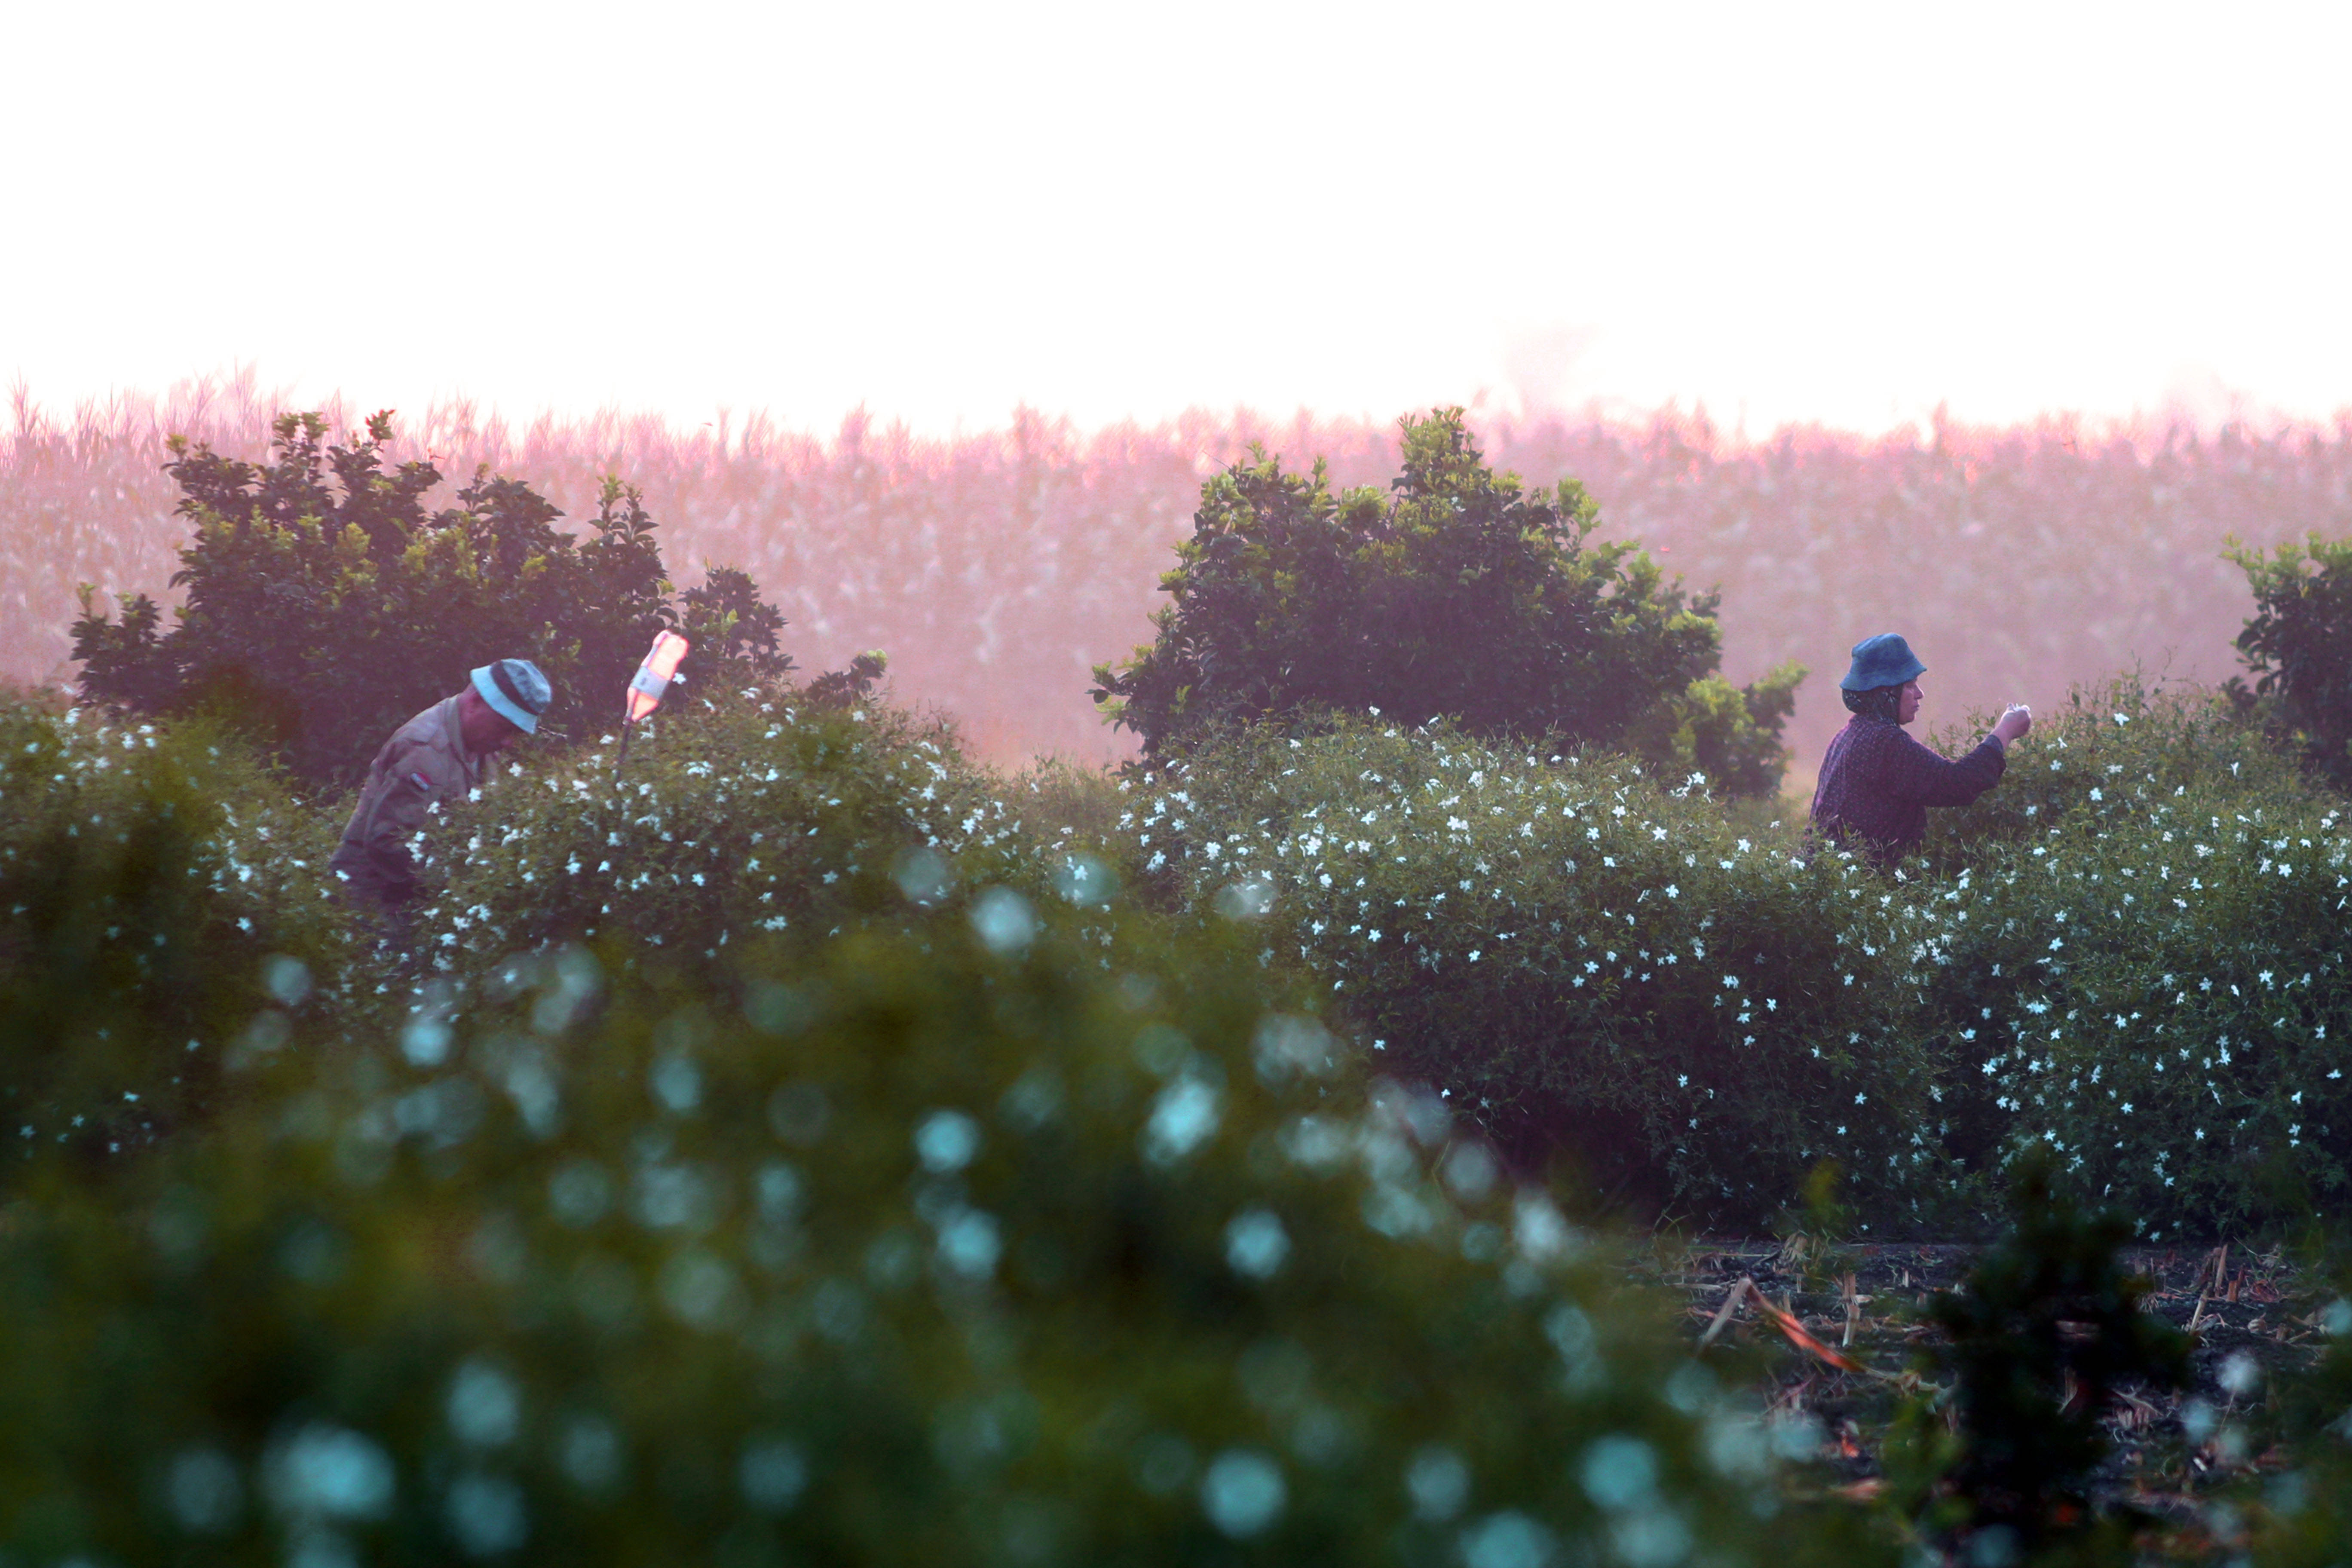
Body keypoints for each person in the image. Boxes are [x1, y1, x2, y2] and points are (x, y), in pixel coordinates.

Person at [331, 658, 552, 941]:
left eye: (515, 734)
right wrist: (466, 879)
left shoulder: (481, 743)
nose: (509, 742)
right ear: (474, 701)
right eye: (504, 728)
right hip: (371, 905)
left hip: (418, 901)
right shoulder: (425, 751)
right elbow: (387, 842)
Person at [1808, 633, 2030, 870]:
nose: (1919, 694)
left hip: (1835, 881)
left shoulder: (1847, 735)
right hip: (1865, 889)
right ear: (1886, 693)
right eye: (1910, 685)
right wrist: (2005, 732)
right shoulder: (1884, 742)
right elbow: (1958, 783)